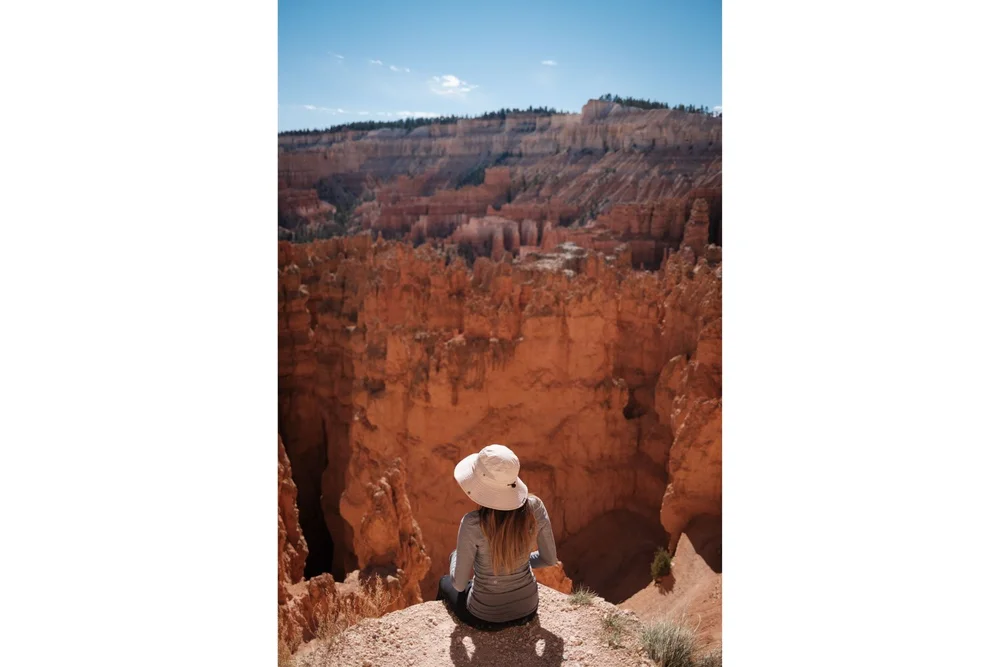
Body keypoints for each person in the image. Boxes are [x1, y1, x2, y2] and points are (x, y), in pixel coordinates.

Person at [436, 444, 558, 631]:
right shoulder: (535, 508)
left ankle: (440, 633)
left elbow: (459, 585)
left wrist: (454, 557)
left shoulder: (472, 523)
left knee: (445, 583)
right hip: (528, 609)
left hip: (484, 616)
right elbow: (549, 559)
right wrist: (518, 562)